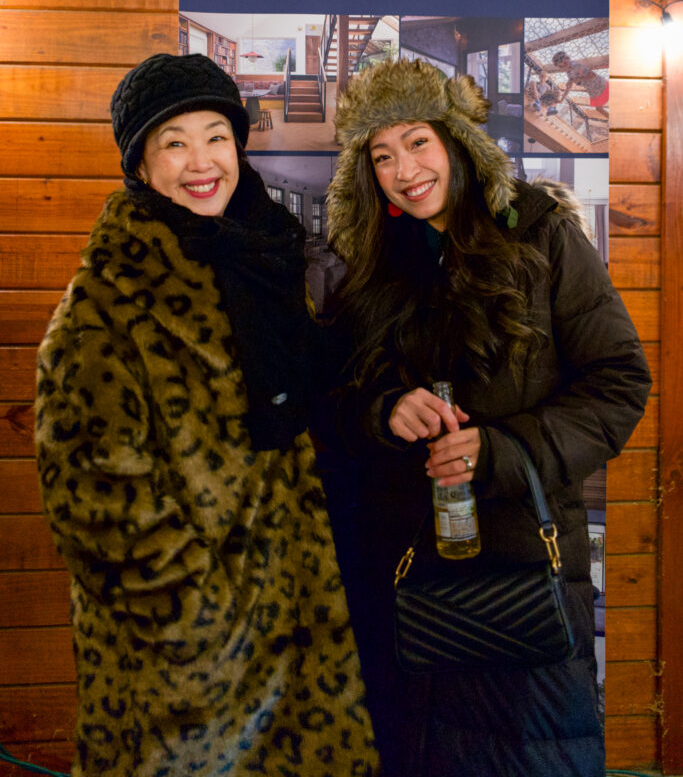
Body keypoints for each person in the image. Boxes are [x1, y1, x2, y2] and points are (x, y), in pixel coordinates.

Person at [34, 53, 379, 777]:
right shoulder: (105, 306)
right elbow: (96, 506)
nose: (202, 162)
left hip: (299, 637)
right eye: (175, 141)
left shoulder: (266, 259)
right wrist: (205, 629)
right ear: (140, 165)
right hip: (184, 680)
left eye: (216, 136)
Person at [318, 58, 651, 777]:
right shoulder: (371, 265)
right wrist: (384, 411)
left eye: (416, 142)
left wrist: (500, 451)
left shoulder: (540, 233)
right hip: (406, 583)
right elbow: (334, 406)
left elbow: (619, 381)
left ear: (457, 142)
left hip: (521, 578)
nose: (403, 170)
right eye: (381, 155)